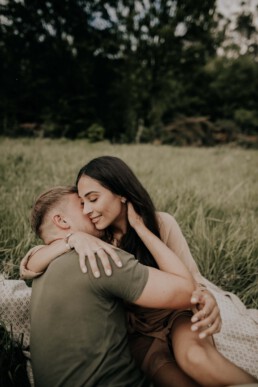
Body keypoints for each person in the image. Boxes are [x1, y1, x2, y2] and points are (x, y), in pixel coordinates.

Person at [22, 180, 257, 386]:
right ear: (61, 220)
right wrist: (73, 238)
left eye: (92, 200)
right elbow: (29, 264)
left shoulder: (158, 224)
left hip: (174, 311)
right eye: (82, 204)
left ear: (119, 194)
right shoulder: (89, 247)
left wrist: (141, 229)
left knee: (195, 357)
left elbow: (191, 284)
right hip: (139, 328)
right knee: (162, 368)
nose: (89, 209)